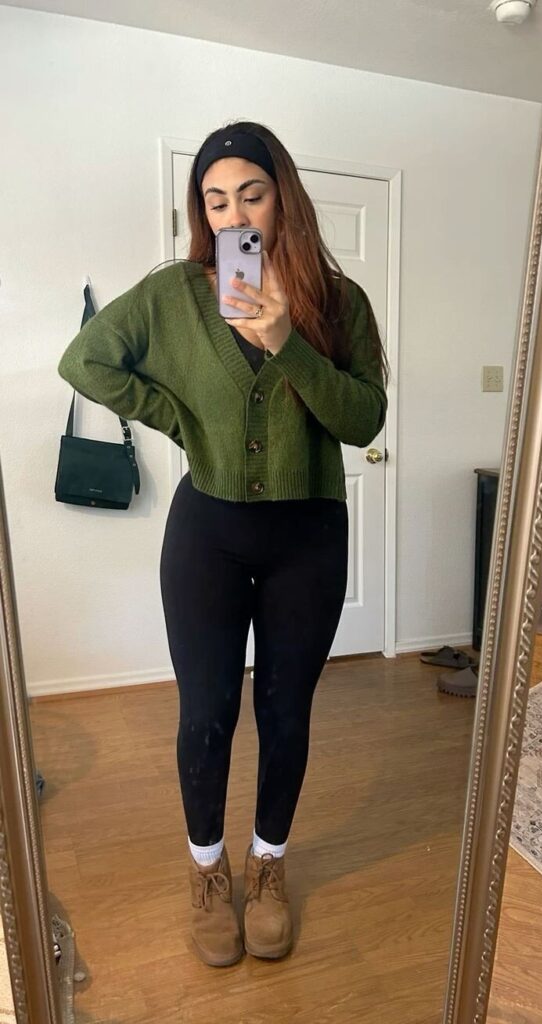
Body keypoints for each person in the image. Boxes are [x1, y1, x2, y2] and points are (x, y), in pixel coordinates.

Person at [58, 120, 389, 967]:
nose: (234, 214)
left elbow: (364, 419)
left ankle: (268, 864)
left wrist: (286, 343)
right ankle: (207, 871)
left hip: (308, 538)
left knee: (286, 712)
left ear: (283, 198)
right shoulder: (174, 294)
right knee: (206, 712)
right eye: (215, 201)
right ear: (200, 212)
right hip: (207, 534)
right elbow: (86, 361)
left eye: (251, 194)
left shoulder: (339, 302)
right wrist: (177, 418)